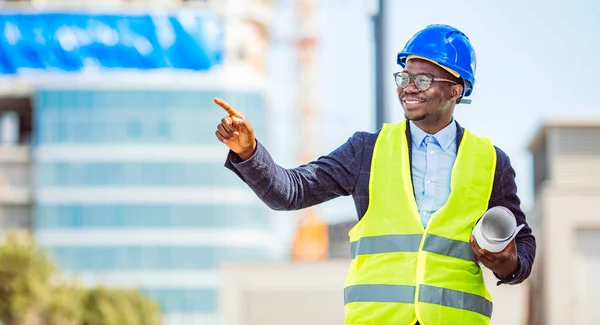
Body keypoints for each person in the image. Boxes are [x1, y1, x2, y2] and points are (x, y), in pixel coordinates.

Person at [213, 24, 536, 325]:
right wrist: (249, 152)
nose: (409, 88)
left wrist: (508, 264)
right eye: (404, 78)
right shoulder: (366, 151)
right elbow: (290, 192)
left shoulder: (491, 162)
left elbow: (522, 245)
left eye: (423, 80)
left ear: (455, 90)